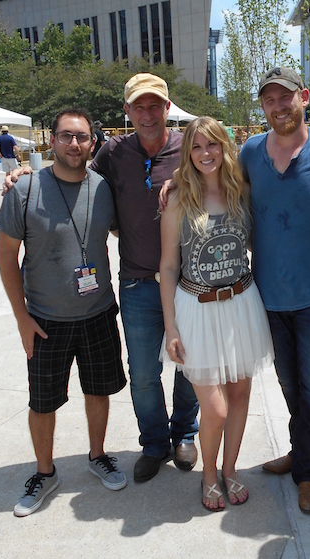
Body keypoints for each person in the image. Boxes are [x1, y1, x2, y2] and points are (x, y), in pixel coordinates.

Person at [0, 109, 128, 517]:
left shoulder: (105, 188)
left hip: (99, 312)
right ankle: (44, 472)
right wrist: (22, 318)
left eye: (82, 137)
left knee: (98, 391)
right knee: (43, 403)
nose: (74, 144)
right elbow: (5, 258)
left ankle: (97, 455)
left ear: (93, 143)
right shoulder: (25, 190)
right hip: (45, 319)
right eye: (66, 136)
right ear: (50, 140)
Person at [239, 67, 310, 514]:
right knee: (288, 382)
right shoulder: (249, 151)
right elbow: (209, 176)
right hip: (268, 294)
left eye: (286, 97)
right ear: (262, 106)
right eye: (269, 100)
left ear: (304, 97)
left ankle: (309, 472)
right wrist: (173, 183)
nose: (279, 106)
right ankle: (300, 450)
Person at [90, 73, 201, 482]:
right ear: (127, 111)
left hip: (190, 283)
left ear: (168, 108)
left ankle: (185, 434)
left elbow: (226, 179)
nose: (148, 113)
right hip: (138, 282)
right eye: (140, 106)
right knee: (142, 373)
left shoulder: (189, 147)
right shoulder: (114, 152)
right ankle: (154, 443)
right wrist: (24, 178)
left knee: (190, 366)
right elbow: (77, 181)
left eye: (156, 105)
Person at [159, 116, 274, 511]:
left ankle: (229, 470)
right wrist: (170, 325)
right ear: (187, 153)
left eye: (212, 145)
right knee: (215, 406)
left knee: (241, 393)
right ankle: (208, 474)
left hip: (241, 304)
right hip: (197, 310)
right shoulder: (178, 197)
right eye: (196, 146)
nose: (205, 153)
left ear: (225, 147)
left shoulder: (241, 190)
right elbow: (169, 266)